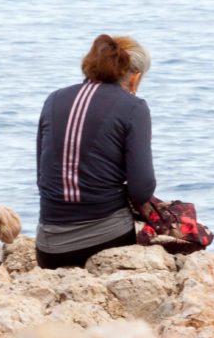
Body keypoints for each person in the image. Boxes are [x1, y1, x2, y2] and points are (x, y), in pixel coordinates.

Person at [35, 34, 156, 268]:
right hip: (106, 242)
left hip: (50, 249)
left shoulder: (54, 99)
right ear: (135, 77)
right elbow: (142, 189)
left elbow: (42, 175)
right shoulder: (133, 107)